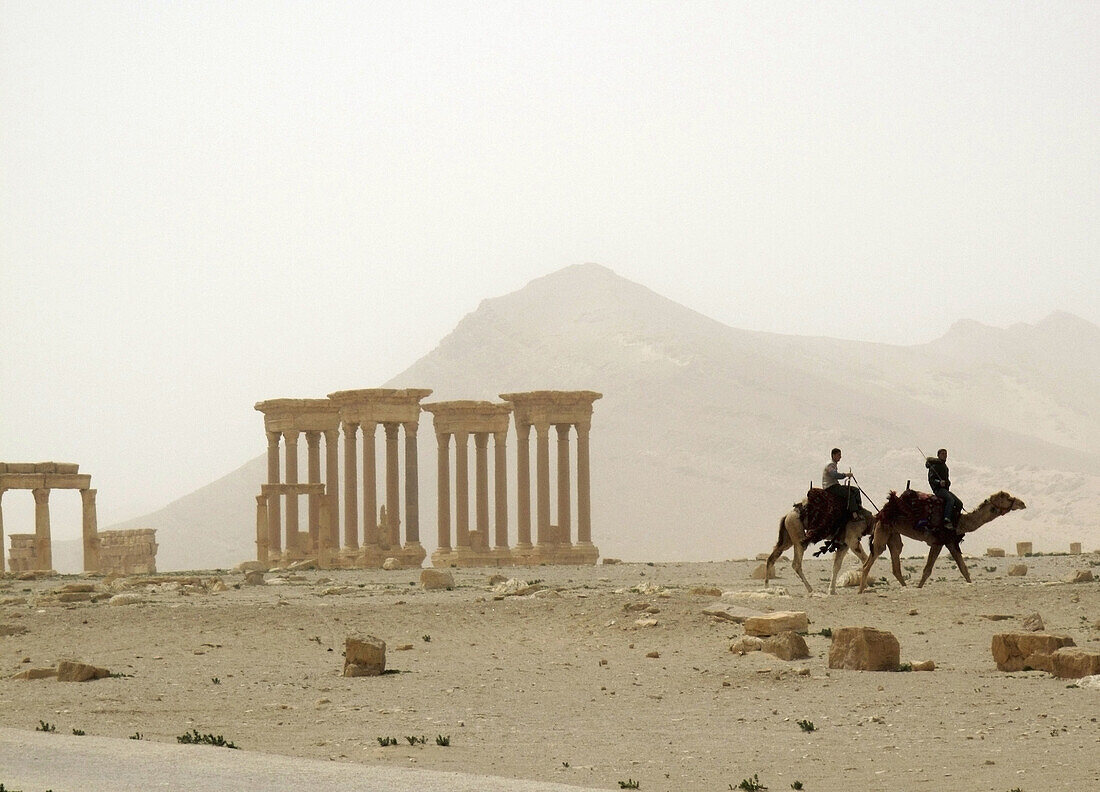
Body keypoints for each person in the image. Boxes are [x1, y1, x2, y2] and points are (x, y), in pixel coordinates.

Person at [926, 448, 961, 531]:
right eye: (942, 453)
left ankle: (955, 521)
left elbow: (946, 479)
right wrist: (939, 482)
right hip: (938, 490)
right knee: (950, 500)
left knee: (959, 503)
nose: (945, 455)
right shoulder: (934, 465)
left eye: (945, 453)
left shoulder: (945, 466)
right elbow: (931, 479)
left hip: (945, 490)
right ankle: (946, 520)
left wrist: (947, 483)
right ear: (938, 455)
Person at [822, 448, 861, 518]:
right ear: (833, 455)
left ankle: (859, 508)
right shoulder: (830, 465)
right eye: (838, 455)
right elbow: (835, 475)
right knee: (850, 494)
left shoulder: (833, 464)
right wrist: (845, 475)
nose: (840, 457)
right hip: (830, 487)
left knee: (855, 490)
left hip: (835, 485)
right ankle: (854, 514)